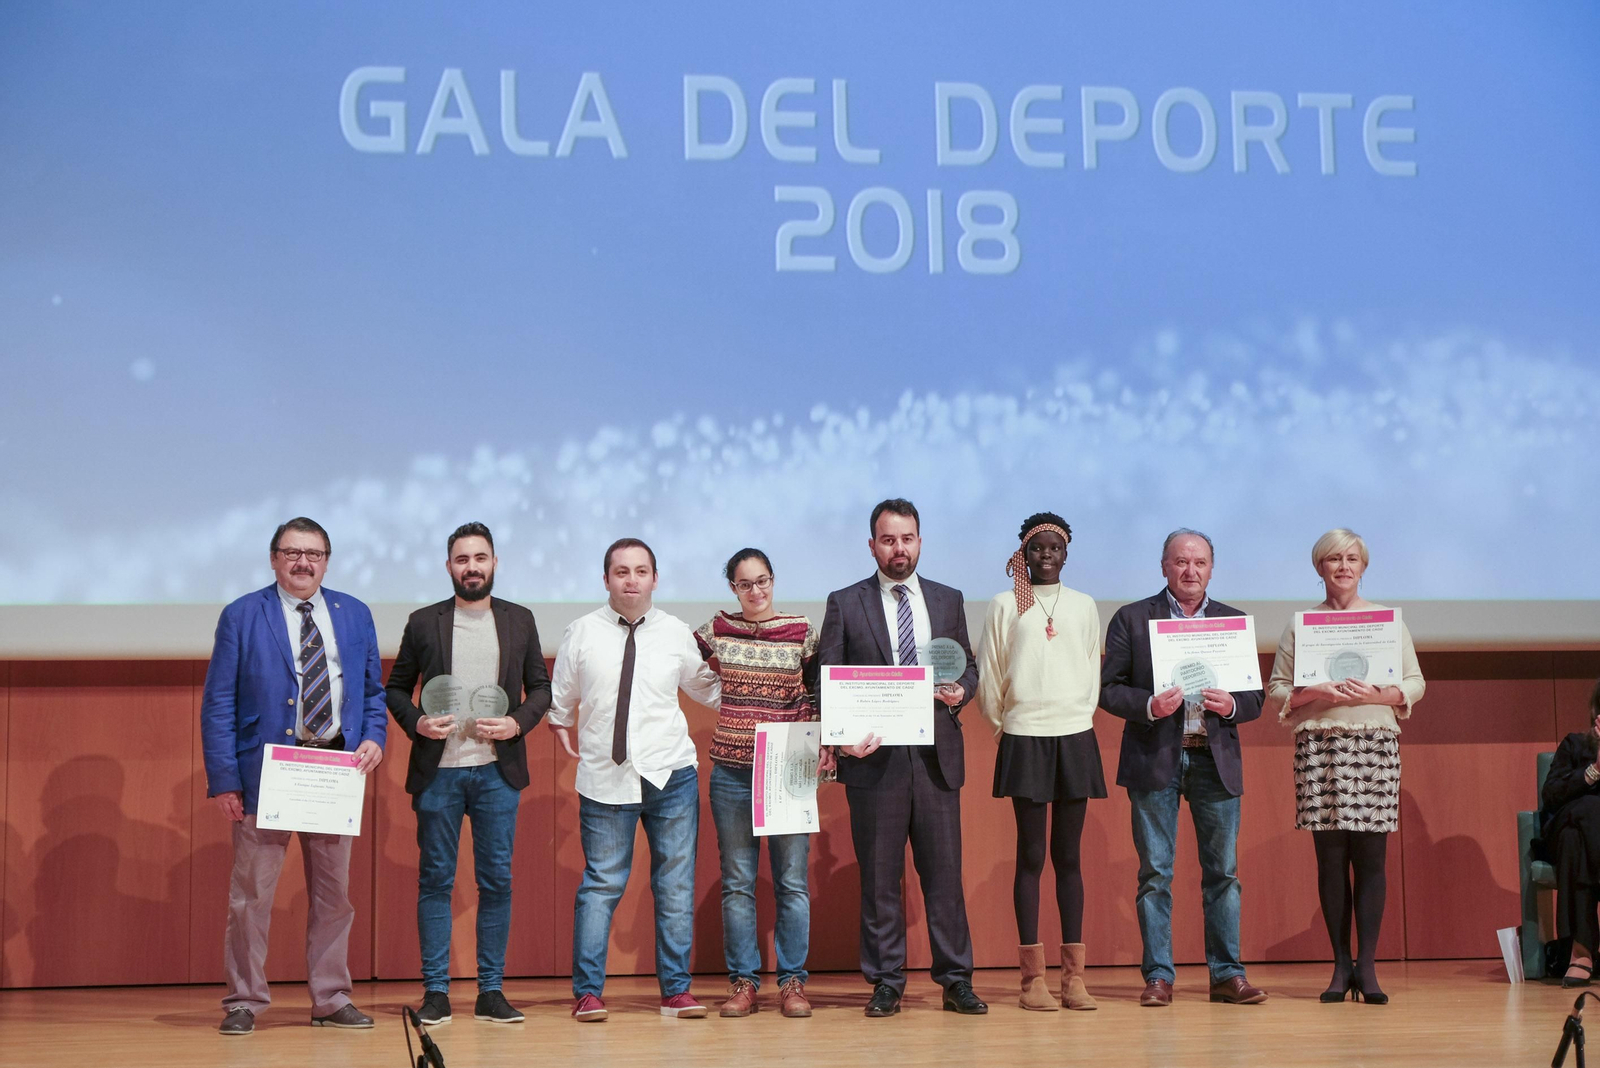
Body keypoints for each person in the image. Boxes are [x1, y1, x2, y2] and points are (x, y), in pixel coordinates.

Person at [199, 517, 387, 1035]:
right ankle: (243, 1000)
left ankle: (330, 998)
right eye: (291, 552)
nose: (303, 562)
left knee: (334, 896)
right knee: (251, 896)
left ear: (326, 560)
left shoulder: (354, 614)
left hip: (333, 770)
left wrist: (375, 736)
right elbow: (218, 702)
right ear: (274, 558)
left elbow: (372, 691)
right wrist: (225, 779)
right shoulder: (242, 614)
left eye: (314, 553)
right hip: (267, 774)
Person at [819, 498, 986, 1017]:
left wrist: (962, 691)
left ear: (920, 541)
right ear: (872, 546)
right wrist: (840, 736)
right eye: (888, 540)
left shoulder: (947, 599)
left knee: (944, 876)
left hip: (935, 757)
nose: (899, 549)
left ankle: (955, 980)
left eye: (907, 538)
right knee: (879, 878)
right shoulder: (846, 602)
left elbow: (969, 666)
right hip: (874, 763)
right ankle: (887, 982)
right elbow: (828, 679)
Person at [547, 538, 722, 1022]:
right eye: (621, 572)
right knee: (602, 885)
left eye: (640, 571)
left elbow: (706, 690)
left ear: (654, 578)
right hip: (606, 777)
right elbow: (561, 700)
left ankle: (676, 992)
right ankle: (588, 993)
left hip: (671, 775)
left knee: (675, 886)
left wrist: (758, 686)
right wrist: (560, 727)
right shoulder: (580, 632)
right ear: (606, 579)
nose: (631, 580)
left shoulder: (675, 632)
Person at [384, 522, 552, 1025]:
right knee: (435, 881)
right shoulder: (423, 621)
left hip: (497, 774)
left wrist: (516, 722)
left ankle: (490, 992)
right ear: (449, 566)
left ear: (494, 563)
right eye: (462, 559)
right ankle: (436, 992)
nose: (471, 567)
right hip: (439, 773)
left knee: (496, 882)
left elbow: (540, 690)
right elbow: (395, 689)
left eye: (480, 558)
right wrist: (417, 721)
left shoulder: (519, 620)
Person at [1100, 528, 1267, 1008]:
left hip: (1216, 760)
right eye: (1180, 562)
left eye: (1199, 563)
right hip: (1156, 758)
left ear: (1211, 569)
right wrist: (1150, 704)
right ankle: (1158, 977)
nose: (1189, 571)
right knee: (1155, 873)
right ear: (1164, 566)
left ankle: (1227, 975)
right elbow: (1109, 689)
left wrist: (1232, 704)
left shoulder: (1232, 623)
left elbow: (1254, 698)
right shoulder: (1132, 619)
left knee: (1224, 873)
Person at [1266, 528, 1424, 1005]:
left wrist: (1383, 695)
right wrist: (1318, 692)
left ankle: (1368, 967)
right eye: (1333, 559)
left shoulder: (1386, 623)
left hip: (1375, 744)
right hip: (1321, 747)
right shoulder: (1302, 626)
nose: (1343, 567)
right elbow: (1277, 690)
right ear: (1320, 568)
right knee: (1330, 860)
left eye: (1352, 558)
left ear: (1363, 566)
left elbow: (1414, 683)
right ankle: (1340, 965)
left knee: (1371, 861)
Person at [977, 512, 1105, 1012]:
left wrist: (1076, 716)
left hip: (1074, 735)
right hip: (1025, 737)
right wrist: (1006, 728)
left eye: (1054, 549)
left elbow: (1091, 669)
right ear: (1023, 555)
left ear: (1066, 554)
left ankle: (1074, 978)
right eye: (1036, 549)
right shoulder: (1007, 603)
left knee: (1068, 858)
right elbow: (991, 675)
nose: (1045, 556)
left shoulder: (1084, 605)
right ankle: (1033, 980)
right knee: (1030, 857)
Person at [694, 548, 821, 1019]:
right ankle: (744, 983)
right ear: (733, 587)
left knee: (791, 883)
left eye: (763, 580)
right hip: (729, 772)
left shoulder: (801, 630)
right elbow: (684, 671)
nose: (756, 591)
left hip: (786, 770)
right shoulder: (716, 629)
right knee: (737, 884)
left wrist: (818, 748)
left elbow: (815, 693)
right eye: (745, 584)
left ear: (773, 580)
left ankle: (791, 983)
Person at [1539, 679, 1600, 987]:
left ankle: (1582, 952)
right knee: (1587, 811)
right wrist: (1595, 770)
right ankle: (1582, 952)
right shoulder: (1574, 745)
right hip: (1564, 837)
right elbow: (1550, 796)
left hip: (1577, 847)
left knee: (1579, 838)